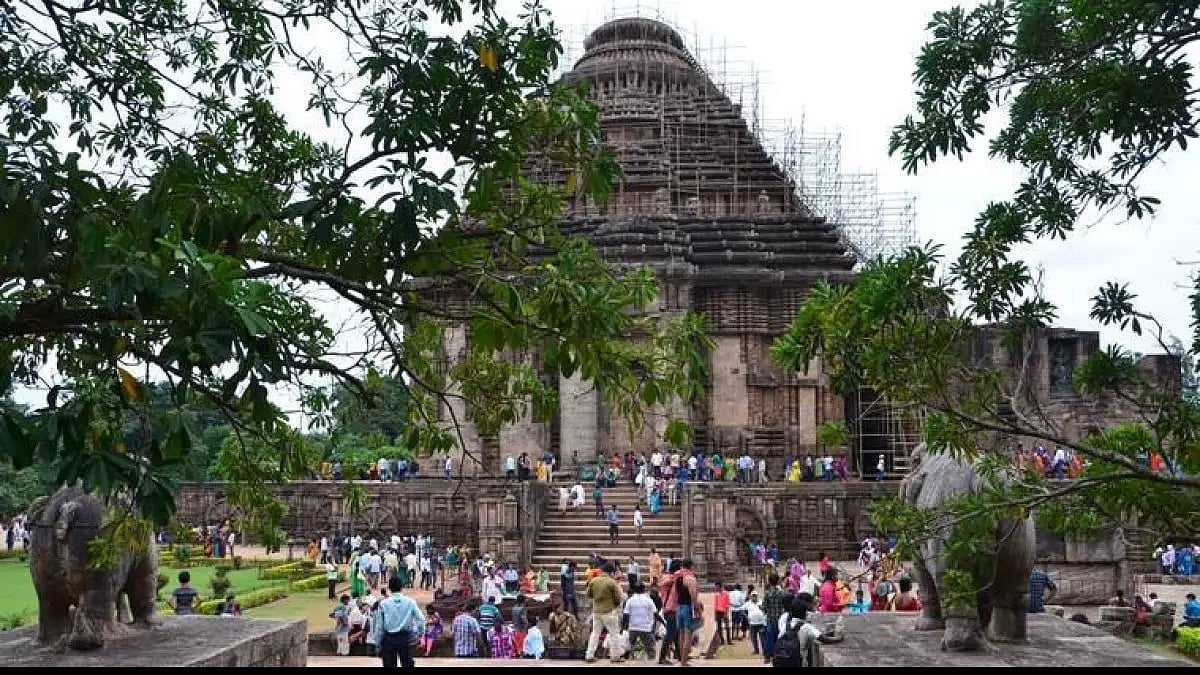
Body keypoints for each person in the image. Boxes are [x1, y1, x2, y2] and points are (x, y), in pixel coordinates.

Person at [371, 576, 426, 668]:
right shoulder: (410, 602)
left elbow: (379, 627)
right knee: (408, 664)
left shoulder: (383, 604)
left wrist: (378, 643)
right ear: (401, 587)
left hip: (389, 639)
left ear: (389, 588)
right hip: (405, 638)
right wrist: (420, 635)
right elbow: (421, 619)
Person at [584, 562, 625, 664]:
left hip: (596, 611)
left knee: (595, 634)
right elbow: (618, 598)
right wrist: (614, 605)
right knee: (614, 634)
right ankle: (615, 656)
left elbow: (588, 595)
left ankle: (589, 655)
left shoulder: (594, 581)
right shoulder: (611, 582)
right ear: (611, 572)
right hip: (609, 612)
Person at [675, 559, 703, 667]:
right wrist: (698, 611)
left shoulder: (678, 578)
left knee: (681, 635)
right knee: (688, 636)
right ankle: (683, 662)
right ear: (691, 566)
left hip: (679, 607)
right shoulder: (690, 579)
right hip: (687, 608)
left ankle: (682, 659)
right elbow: (693, 596)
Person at [623, 582, 657, 660]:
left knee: (632, 647)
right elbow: (655, 613)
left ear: (634, 590)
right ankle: (651, 662)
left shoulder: (630, 600)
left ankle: (632, 660)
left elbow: (626, 614)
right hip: (646, 628)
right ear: (644, 589)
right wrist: (663, 622)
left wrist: (623, 627)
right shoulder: (649, 600)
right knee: (650, 648)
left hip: (633, 628)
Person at [745, 591, 766, 656]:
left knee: (762, 638)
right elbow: (742, 610)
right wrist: (747, 617)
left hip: (761, 623)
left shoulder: (761, 602)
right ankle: (756, 650)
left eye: (755, 596)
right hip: (752, 623)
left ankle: (764, 650)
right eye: (753, 596)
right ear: (751, 597)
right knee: (753, 638)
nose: (754, 597)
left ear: (757, 596)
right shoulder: (748, 603)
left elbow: (765, 609)